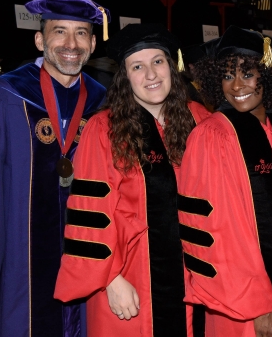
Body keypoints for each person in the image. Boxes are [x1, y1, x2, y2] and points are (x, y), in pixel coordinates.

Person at [0, 0, 109, 337]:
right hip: (17, 264)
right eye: (59, 31)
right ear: (40, 39)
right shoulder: (3, 96)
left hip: (90, 264)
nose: (71, 43)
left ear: (94, 43)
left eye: (81, 33)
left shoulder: (104, 104)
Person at [54, 23, 210, 337]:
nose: (151, 74)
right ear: (126, 78)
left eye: (158, 62)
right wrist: (111, 279)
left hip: (195, 278)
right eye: (138, 66)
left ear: (171, 67)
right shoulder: (105, 129)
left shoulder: (198, 119)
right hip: (130, 276)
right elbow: (89, 211)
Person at [178, 25, 272, 337]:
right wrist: (258, 304)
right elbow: (219, 230)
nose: (236, 85)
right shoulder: (213, 136)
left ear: (267, 75)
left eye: (247, 73)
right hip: (243, 303)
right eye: (227, 75)